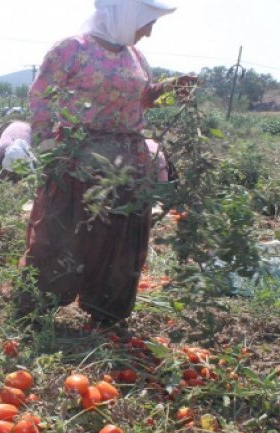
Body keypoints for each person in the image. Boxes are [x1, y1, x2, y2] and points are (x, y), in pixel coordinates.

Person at [16, 0, 194, 325]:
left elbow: (142, 99)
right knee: (64, 233)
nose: (149, 33)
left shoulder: (135, 56)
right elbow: (41, 95)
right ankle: (38, 307)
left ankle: (105, 311)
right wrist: (44, 143)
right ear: (126, 17)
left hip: (127, 165)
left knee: (118, 240)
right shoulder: (72, 49)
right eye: (147, 23)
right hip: (79, 162)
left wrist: (171, 91)